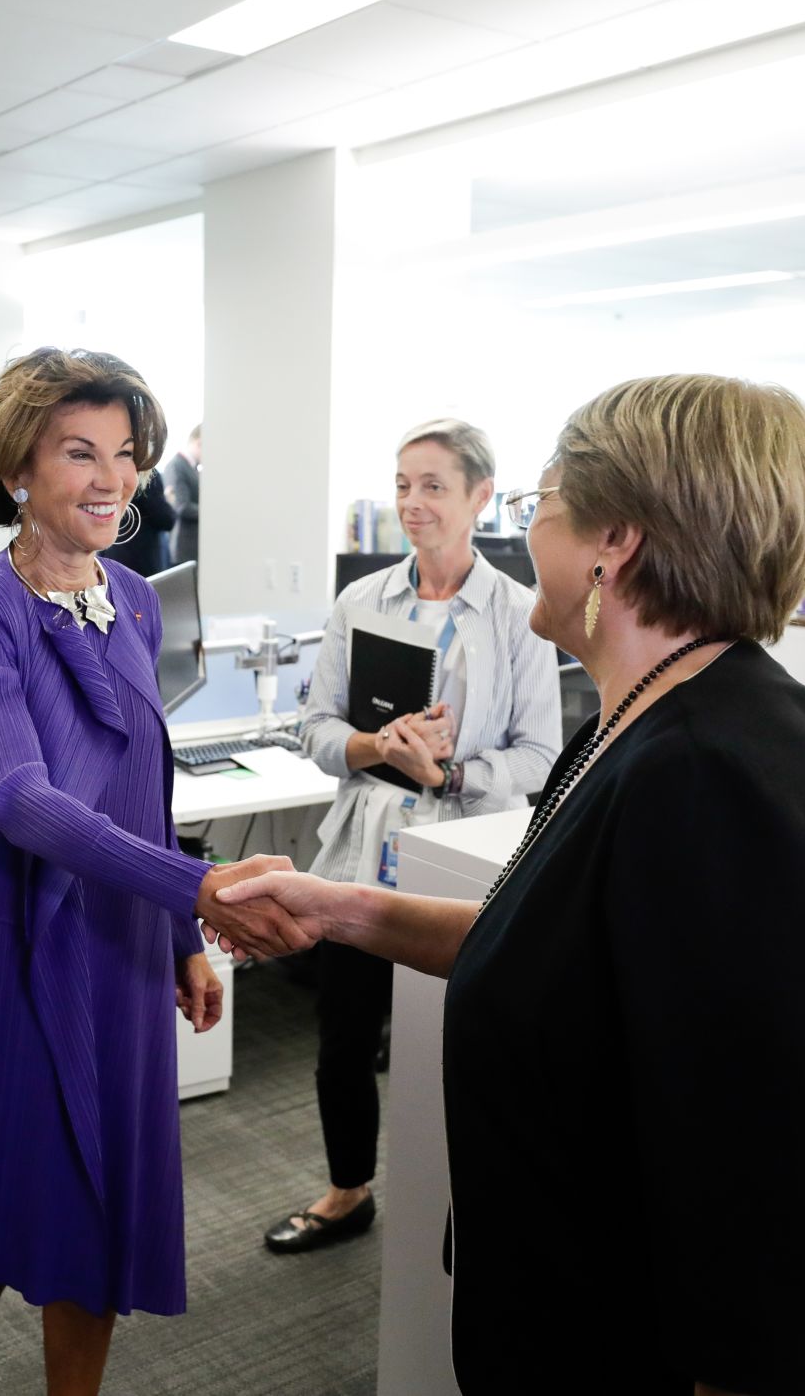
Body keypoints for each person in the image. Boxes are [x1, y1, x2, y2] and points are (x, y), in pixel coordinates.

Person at [215, 375, 805, 1395]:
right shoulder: (654, 723)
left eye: (540, 506)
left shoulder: (712, 776)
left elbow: (762, 1233)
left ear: (610, 543)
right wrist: (340, 907)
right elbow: (550, 944)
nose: (524, 534)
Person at [0, 347, 303, 1396]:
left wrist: (174, 937)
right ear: (15, 467)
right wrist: (194, 890)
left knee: (99, 1184)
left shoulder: (133, 597)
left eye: (125, 453)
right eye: (79, 451)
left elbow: (138, 780)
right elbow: (19, 798)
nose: (112, 477)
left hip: (111, 931)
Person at [264, 419, 559, 1255]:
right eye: (402, 483)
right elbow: (314, 726)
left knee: (454, 1045)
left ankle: (461, 1209)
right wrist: (370, 748)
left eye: (433, 485)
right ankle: (347, 1190)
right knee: (344, 1038)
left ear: (478, 498)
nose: (411, 502)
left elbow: (539, 753)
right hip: (366, 850)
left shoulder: (517, 616)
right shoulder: (361, 602)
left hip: (463, 856)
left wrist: (450, 775)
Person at [103, 462, 176, 576]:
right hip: (141, 558)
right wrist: (169, 502)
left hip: (114, 553)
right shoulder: (148, 473)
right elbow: (165, 519)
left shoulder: (113, 469)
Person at [167, 422, 201, 566]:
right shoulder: (177, 465)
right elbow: (182, 506)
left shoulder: (192, 468)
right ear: (199, 443)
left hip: (193, 546)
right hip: (184, 547)